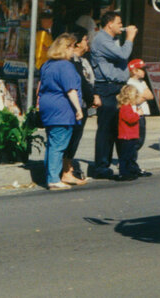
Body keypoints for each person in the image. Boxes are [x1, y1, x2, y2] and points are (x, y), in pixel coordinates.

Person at [89, 10, 137, 179]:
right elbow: (124, 54)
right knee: (107, 128)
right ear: (109, 24)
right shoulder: (102, 40)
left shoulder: (113, 40)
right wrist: (130, 37)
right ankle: (101, 166)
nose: (121, 26)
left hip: (118, 87)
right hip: (107, 88)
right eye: (119, 22)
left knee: (121, 127)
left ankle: (128, 165)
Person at [36, 33, 84, 190]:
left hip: (47, 106)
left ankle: (50, 175)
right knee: (59, 144)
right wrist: (78, 109)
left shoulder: (47, 65)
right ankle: (53, 179)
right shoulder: (65, 66)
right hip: (62, 108)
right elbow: (71, 90)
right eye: (72, 47)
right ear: (67, 48)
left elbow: (40, 87)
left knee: (52, 142)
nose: (73, 50)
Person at [61, 28, 100, 184]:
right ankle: (65, 170)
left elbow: (90, 81)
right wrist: (91, 97)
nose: (87, 42)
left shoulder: (83, 60)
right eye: (85, 39)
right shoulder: (71, 61)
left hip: (84, 104)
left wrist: (93, 95)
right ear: (76, 44)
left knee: (76, 137)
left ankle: (68, 168)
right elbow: (81, 83)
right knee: (70, 137)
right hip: (75, 104)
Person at [126, 58, 155, 178]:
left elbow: (151, 96)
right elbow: (134, 100)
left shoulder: (142, 83)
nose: (144, 72)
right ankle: (130, 164)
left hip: (142, 114)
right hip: (135, 114)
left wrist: (143, 94)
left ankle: (131, 162)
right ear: (134, 71)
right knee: (135, 141)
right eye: (141, 69)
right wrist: (144, 95)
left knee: (140, 140)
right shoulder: (130, 84)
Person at [116, 84, 143, 181]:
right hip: (126, 137)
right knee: (125, 156)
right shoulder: (125, 108)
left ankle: (130, 170)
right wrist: (138, 114)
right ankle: (124, 173)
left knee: (130, 155)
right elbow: (130, 119)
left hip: (131, 136)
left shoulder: (128, 107)